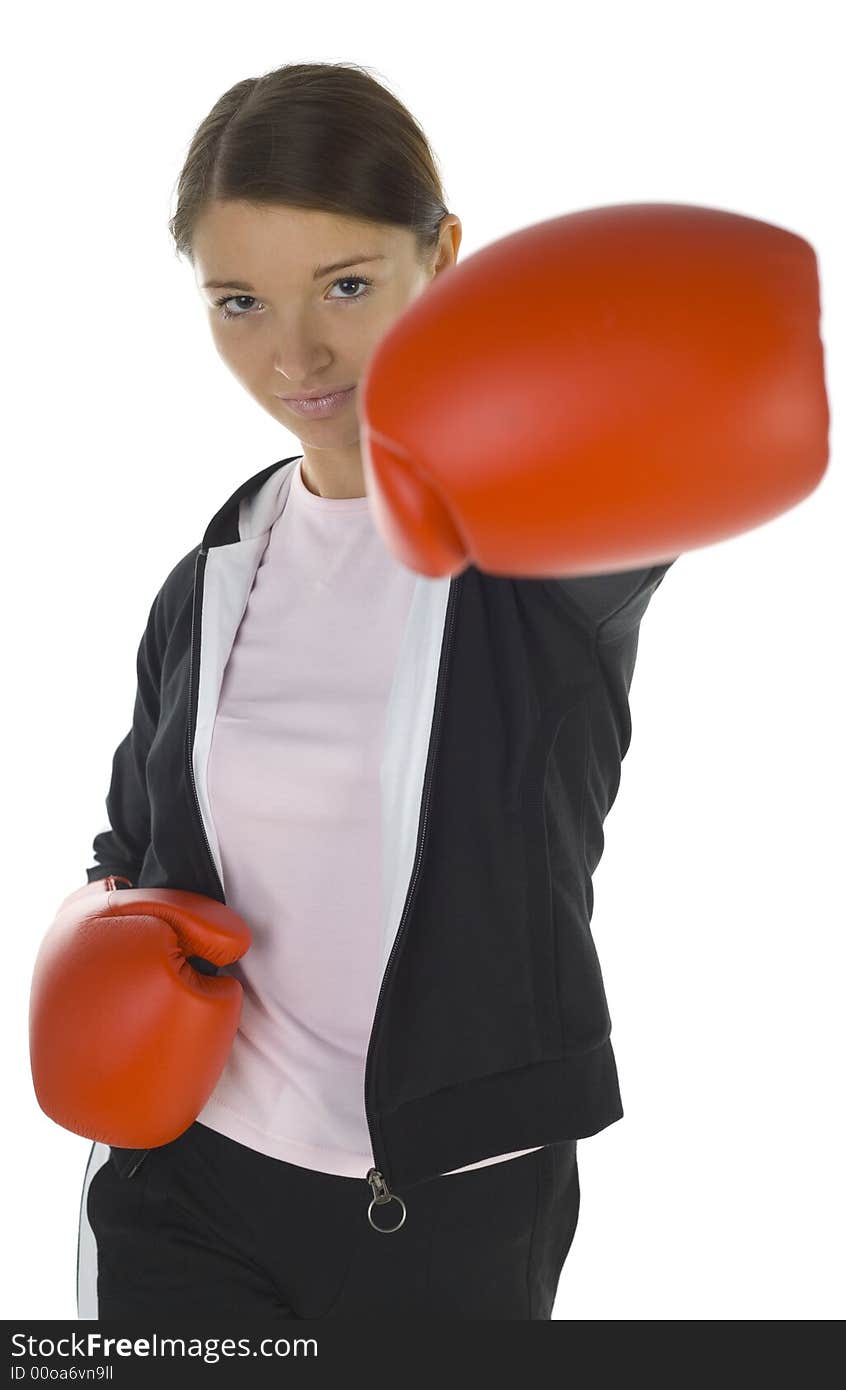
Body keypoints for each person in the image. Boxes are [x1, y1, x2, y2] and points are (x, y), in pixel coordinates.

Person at [76, 61, 677, 1321]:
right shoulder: (215, 572)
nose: (293, 352)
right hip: (187, 1183)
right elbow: (134, 843)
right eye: (238, 300)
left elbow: (662, 394)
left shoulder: (541, 555)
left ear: (441, 253)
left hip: (441, 1204)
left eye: (346, 285)